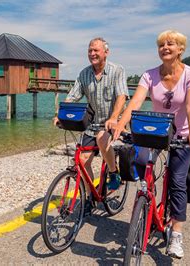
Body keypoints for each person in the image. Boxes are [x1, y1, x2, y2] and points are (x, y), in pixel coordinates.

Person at [112, 30, 190, 259]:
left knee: (177, 181)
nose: (165, 48)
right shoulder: (149, 75)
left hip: (180, 135)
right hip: (155, 132)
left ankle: (176, 235)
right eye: (161, 44)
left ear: (180, 49)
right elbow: (136, 102)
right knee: (140, 160)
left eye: (170, 44)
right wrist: (121, 125)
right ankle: (147, 197)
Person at [54, 37, 129, 216]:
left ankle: (113, 172)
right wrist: (61, 115)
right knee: (81, 160)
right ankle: (90, 197)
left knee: (102, 137)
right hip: (92, 122)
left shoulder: (117, 70)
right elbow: (73, 96)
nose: (92, 54)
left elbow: (122, 96)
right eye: (90, 51)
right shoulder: (84, 74)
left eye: (96, 50)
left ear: (106, 52)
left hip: (112, 122)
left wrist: (113, 118)